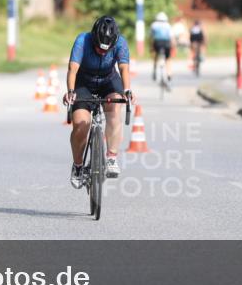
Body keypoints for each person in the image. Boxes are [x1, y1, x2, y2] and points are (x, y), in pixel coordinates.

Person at [64, 16, 134, 187]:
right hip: (84, 82)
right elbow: (72, 69)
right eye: (98, 48)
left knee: (114, 108)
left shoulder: (121, 42)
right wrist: (71, 92)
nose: (102, 52)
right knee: (81, 123)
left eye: (106, 49)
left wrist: (127, 90)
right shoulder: (82, 40)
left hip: (108, 80)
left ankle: (111, 157)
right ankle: (78, 166)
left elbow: (124, 68)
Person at [150, 12, 173, 83]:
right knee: (168, 58)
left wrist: (151, 46)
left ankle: (154, 71)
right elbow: (171, 37)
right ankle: (169, 73)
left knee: (155, 56)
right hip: (166, 43)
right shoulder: (168, 25)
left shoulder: (154, 25)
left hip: (157, 43)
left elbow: (151, 36)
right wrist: (172, 45)